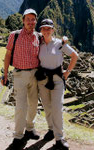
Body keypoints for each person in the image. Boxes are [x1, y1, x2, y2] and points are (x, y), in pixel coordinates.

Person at [36, 19, 78, 150]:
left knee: (57, 109)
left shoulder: (60, 43)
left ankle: (59, 137)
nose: (46, 30)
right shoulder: (39, 44)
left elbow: (74, 56)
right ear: (41, 30)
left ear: (53, 30)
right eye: (44, 28)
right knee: (47, 107)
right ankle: (50, 129)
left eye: (49, 28)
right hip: (43, 80)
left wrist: (68, 72)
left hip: (57, 80)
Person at [2, 9, 40, 150]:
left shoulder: (38, 36)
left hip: (35, 75)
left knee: (33, 105)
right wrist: (5, 74)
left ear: (35, 21)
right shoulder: (15, 35)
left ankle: (29, 129)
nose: (30, 22)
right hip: (19, 75)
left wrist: (64, 41)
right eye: (28, 19)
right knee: (21, 107)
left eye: (33, 19)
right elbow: (7, 55)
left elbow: (51, 41)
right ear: (23, 20)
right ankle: (18, 136)